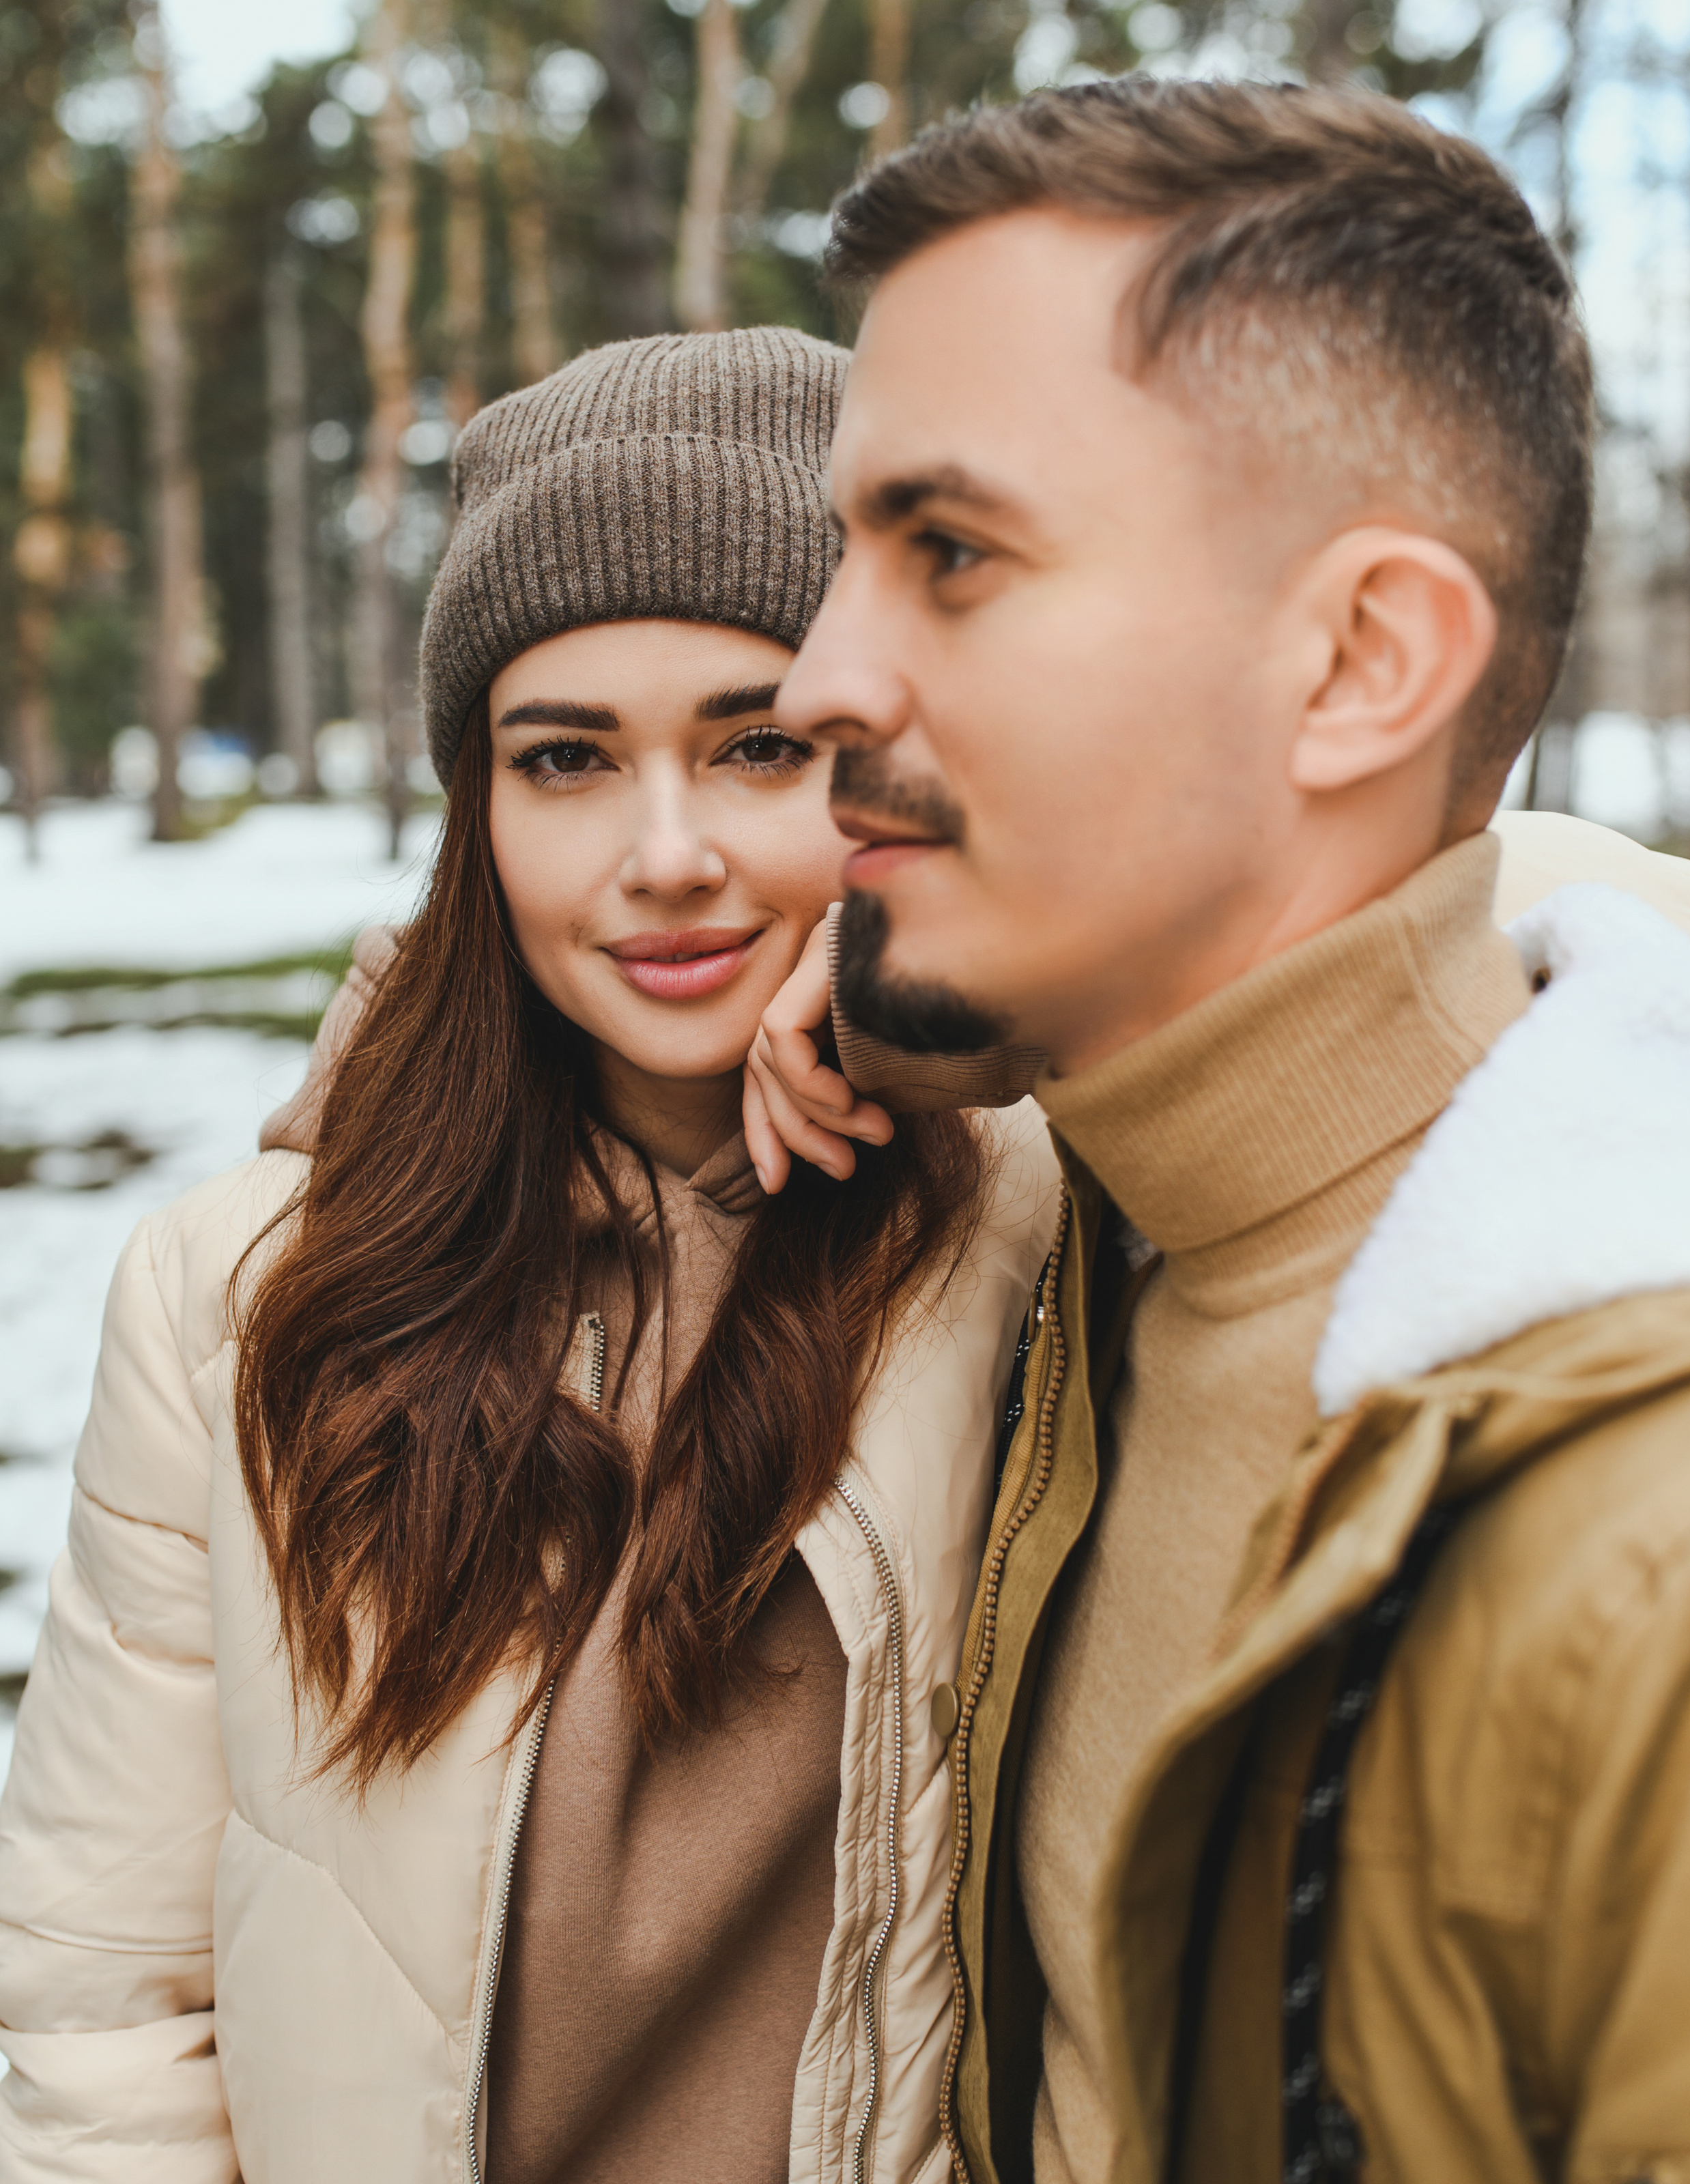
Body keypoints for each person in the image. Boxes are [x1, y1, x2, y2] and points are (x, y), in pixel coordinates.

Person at [745, 80, 1690, 2184]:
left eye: (951, 554)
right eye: (850, 557)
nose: (821, 674)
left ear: (1365, 662)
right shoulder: (1096, 1208)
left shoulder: (1687, 1584)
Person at [0, 330, 1061, 2183]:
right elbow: (107, 2014)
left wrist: (986, 1000)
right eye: (564, 759)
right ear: (475, 812)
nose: (664, 855)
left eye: (763, 746)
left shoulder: (1056, 1221)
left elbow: (1538, 976)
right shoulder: (244, 1294)